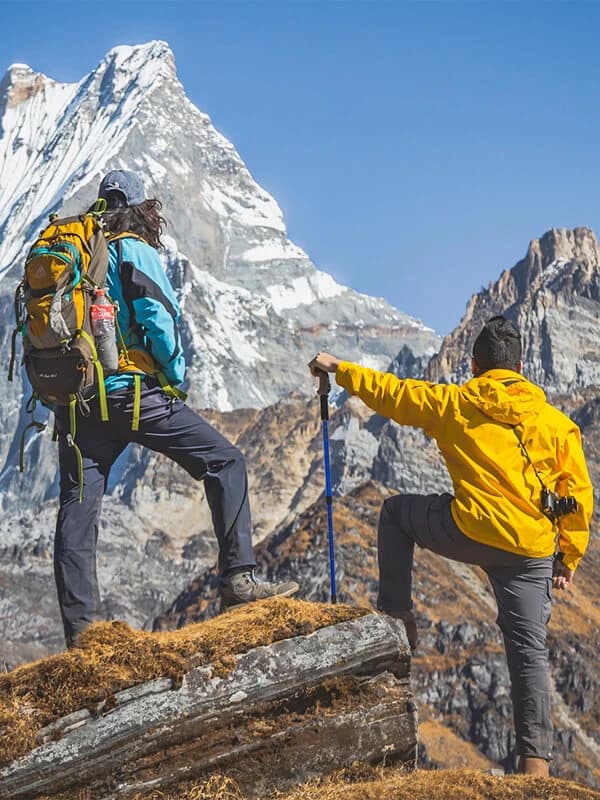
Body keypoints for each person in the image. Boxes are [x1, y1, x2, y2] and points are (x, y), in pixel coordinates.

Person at [308, 315, 592, 777]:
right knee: (529, 653)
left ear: (475, 365)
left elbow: (394, 394)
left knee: (396, 514)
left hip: (470, 531)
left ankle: (399, 618)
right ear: (521, 366)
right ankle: (535, 769)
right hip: (531, 551)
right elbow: (577, 494)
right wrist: (568, 556)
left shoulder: (453, 403)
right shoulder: (556, 423)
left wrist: (340, 368)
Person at [54, 169, 298, 648]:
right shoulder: (130, 246)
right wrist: (174, 377)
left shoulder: (78, 250)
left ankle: (83, 636)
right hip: (130, 392)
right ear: (143, 207)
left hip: (78, 404)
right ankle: (239, 582)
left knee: (77, 511)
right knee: (225, 461)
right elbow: (157, 318)